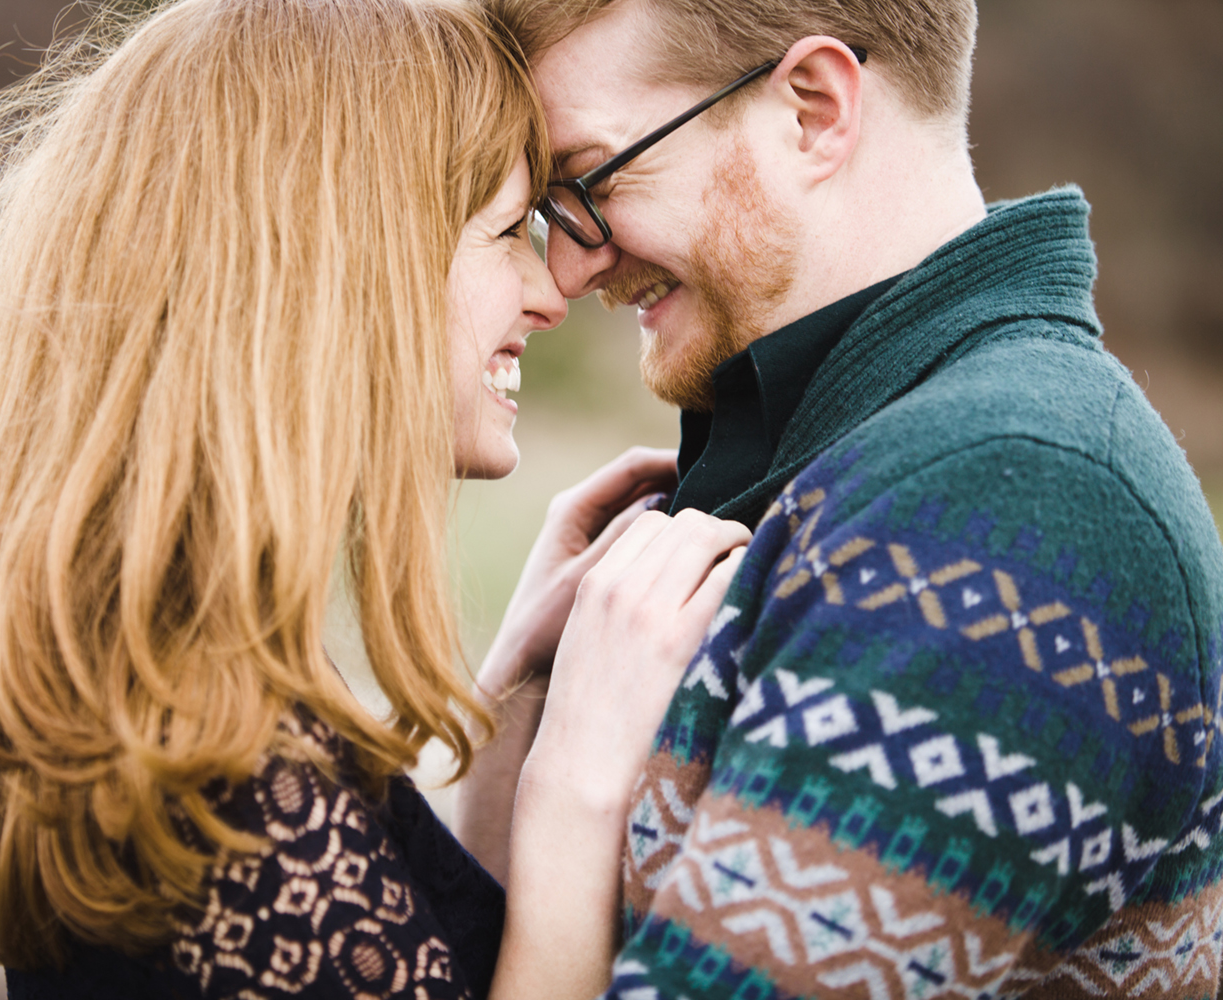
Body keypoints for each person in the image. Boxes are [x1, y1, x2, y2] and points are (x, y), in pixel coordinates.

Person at [0, 0, 753, 997]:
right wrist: (579, 788)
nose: (549, 293)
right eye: (504, 233)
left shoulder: (177, 702)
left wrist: (513, 702)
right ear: (341, 271)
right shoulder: (230, 806)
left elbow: (415, 954)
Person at [484, 0, 1223, 997]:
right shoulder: (859, 470)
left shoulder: (1010, 507)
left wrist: (570, 796)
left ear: (814, 109)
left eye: (596, 177)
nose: (566, 268)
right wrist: (521, 700)